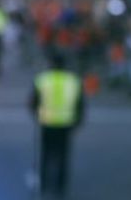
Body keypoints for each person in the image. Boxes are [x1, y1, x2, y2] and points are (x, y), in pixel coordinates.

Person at [31, 52, 84, 199]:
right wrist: (78, 121)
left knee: (46, 155)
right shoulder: (73, 81)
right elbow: (80, 104)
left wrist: (37, 115)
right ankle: (60, 186)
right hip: (66, 123)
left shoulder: (43, 80)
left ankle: (44, 183)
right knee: (63, 156)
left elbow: (33, 102)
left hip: (47, 123)